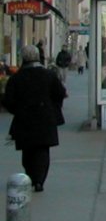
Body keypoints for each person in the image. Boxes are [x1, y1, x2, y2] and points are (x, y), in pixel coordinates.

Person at [3, 43, 67, 192]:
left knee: (28, 151)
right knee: (43, 150)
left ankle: (30, 176)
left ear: (23, 58)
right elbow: (60, 93)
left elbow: (8, 101)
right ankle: (39, 180)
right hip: (45, 118)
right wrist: (53, 107)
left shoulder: (16, 78)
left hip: (24, 120)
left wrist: (17, 110)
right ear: (38, 56)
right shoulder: (49, 75)